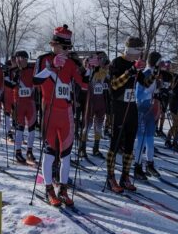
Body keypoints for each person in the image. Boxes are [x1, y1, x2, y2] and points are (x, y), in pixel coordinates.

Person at [33, 25, 89, 206]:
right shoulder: (43, 60)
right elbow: (35, 81)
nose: (66, 51)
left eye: (68, 48)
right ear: (54, 45)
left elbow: (85, 85)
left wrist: (89, 69)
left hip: (66, 114)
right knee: (50, 154)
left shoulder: (71, 64)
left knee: (66, 155)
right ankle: (49, 189)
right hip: (49, 112)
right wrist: (51, 68)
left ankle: (63, 189)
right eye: (64, 48)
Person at [105, 36, 153, 193]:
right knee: (115, 143)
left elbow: (145, 83)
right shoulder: (116, 63)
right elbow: (114, 85)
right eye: (138, 51)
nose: (140, 55)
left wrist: (155, 73)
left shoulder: (135, 64)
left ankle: (125, 176)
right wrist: (131, 71)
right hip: (118, 107)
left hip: (131, 106)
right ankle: (110, 177)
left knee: (130, 143)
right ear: (131, 50)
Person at [133, 51, 162, 179]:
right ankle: (137, 166)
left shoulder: (154, 75)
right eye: (159, 62)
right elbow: (138, 94)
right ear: (155, 62)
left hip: (150, 108)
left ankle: (150, 164)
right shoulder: (145, 74)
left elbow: (154, 92)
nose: (160, 65)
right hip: (142, 109)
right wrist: (147, 100)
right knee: (142, 140)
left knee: (150, 139)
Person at [7, 51, 38, 164]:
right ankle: (18, 152)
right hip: (18, 103)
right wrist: (16, 76)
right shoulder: (13, 71)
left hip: (30, 103)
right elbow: (9, 85)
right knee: (19, 128)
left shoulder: (32, 69)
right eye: (18, 59)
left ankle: (29, 151)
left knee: (32, 128)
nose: (20, 61)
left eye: (23, 59)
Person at [79, 53, 108, 158]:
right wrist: (90, 68)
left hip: (101, 103)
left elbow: (109, 78)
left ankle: (96, 148)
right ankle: (82, 148)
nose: (100, 61)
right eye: (98, 59)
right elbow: (83, 79)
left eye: (100, 59)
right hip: (90, 103)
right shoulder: (88, 71)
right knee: (87, 126)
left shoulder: (104, 71)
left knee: (99, 127)